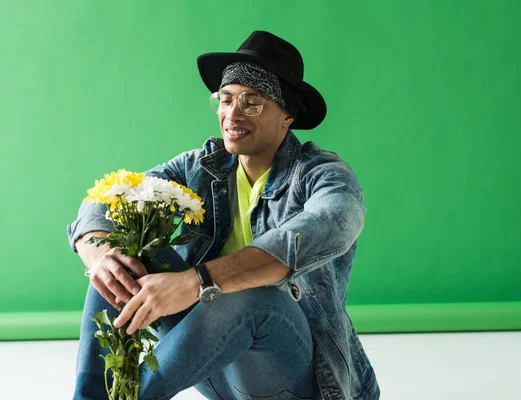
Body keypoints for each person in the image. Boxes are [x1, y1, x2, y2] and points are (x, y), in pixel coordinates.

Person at [67, 30, 380, 400]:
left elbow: (332, 223)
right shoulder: (202, 166)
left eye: (252, 102)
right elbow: (109, 198)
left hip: (293, 377)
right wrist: (100, 254)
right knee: (123, 259)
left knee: (254, 297)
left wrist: (196, 281)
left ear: (288, 115)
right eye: (225, 99)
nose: (233, 114)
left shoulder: (322, 175)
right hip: (212, 362)